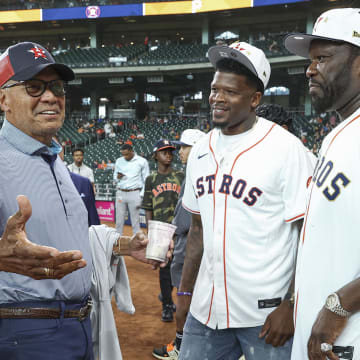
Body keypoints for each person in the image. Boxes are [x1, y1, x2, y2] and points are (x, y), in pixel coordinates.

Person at [0, 41, 164, 360]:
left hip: (79, 324)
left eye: (56, 87)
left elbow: (68, 238)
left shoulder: (54, 158)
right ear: (3, 98)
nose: (50, 96)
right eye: (33, 87)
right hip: (24, 332)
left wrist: (124, 246)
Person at [177, 41, 314, 360]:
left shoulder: (287, 149)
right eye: (214, 89)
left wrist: (292, 304)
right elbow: (197, 230)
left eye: (230, 92)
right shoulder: (199, 150)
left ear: (254, 99)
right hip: (206, 310)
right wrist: (185, 292)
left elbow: (310, 234)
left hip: (265, 317)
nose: (217, 98)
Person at [284, 8, 360, 360]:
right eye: (311, 60)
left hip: (347, 339)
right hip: (319, 333)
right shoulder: (335, 134)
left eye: (323, 58)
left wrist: (339, 305)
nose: (310, 69)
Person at [152, 129, 205, 360]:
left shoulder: (195, 174)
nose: (179, 152)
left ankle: (183, 348)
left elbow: (185, 221)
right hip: (195, 244)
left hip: (189, 245)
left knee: (187, 299)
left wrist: (171, 234)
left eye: (184, 147)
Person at [142, 140, 184, 322]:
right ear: (155, 155)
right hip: (160, 230)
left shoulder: (181, 176)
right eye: (164, 151)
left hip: (180, 230)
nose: (168, 154)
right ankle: (167, 304)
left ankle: (169, 295)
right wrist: (150, 231)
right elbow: (148, 206)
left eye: (170, 151)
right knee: (164, 269)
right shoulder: (151, 179)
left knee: (179, 267)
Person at [113, 143, 149, 236]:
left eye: (126, 154)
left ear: (132, 151)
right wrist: (118, 177)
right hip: (120, 191)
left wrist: (141, 195)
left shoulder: (142, 161)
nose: (124, 156)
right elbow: (115, 178)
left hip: (135, 192)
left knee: (135, 220)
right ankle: (117, 241)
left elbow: (146, 179)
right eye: (123, 154)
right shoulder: (119, 161)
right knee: (119, 220)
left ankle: (136, 242)